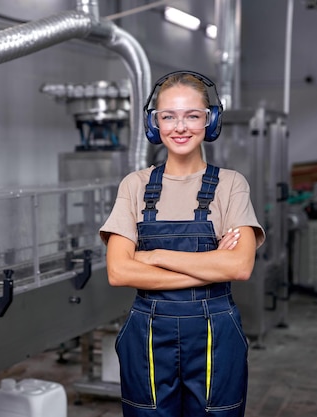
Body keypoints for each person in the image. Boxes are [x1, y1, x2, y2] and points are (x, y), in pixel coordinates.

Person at [99, 71, 265, 417]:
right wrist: (211, 266)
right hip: (148, 332)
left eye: (192, 115)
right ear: (154, 123)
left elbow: (239, 266)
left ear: (211, 120)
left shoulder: (231, 185)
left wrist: (154, 256)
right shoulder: (135, 186)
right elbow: (118, 270)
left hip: (214, 333)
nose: (180, 127)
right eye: (168, 116)